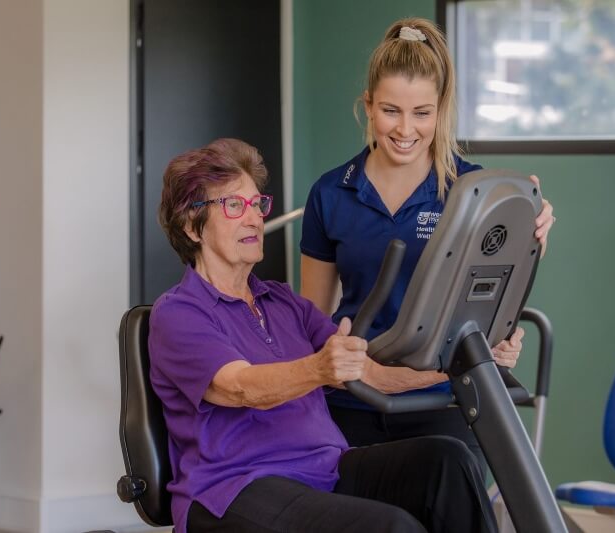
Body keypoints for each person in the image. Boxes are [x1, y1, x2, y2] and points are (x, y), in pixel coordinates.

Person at [149, 137, 497, 533]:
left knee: (447, 461)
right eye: (233, 206)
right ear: (191, 225)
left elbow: (374, 374)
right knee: (391, 527)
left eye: (257, 204)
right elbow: (239, 387)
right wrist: (318, 369)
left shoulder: (281, 302)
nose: (253, 218)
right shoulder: (179, 312)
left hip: (323, 469)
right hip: (234, 488)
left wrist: (474, 358)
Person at [300, 17, 555, 467]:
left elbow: (498, 293)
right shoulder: (329, 193)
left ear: (440, 110)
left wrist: (532, 230)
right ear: (368, 106)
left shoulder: (476, 192)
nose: (405, 129)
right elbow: (312, 320)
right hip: (351, 399)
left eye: (422, 113)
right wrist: (351, 373)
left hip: (447, 398)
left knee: (449, 489)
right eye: (390, 110)